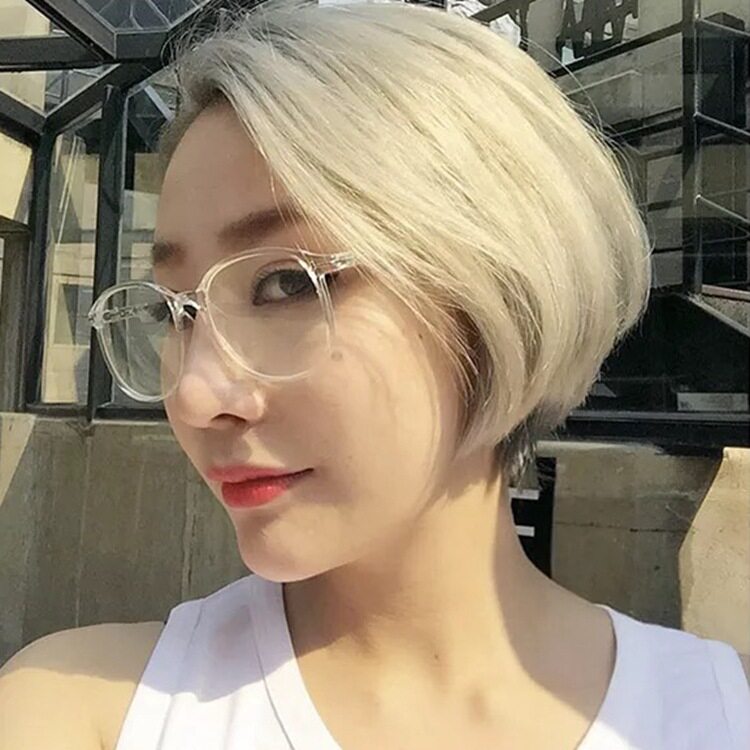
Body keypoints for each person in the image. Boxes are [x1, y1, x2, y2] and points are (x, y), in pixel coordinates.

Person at [1, 1, 748, 748]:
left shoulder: (716, 715)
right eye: (173, 310)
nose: (193, 396)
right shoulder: (80, 711)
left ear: (498, 287)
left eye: (286, 283)